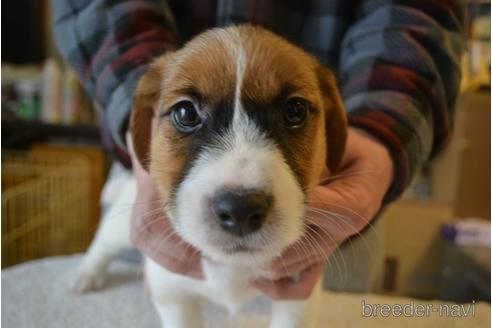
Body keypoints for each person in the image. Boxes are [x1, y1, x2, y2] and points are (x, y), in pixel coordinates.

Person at [51, 0, 466, 300]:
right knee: (142, 251)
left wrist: (381, 131)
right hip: (150, 148)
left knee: (318, 293)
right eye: (186, 114)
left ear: (331, 126)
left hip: (340, 207)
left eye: (294, 112)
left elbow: (419, 12)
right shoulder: (149, 128)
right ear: (148, 126)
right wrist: (134, 95)